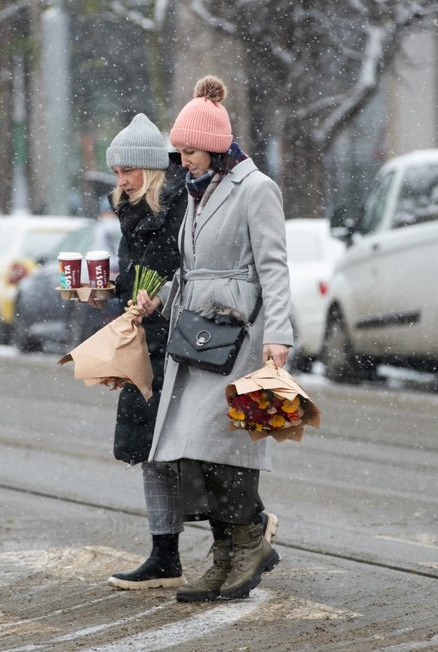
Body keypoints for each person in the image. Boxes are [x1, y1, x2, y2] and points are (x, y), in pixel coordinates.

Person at [134, 76, 293, 602]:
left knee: (221, 445)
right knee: (190, 451)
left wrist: (279, 336)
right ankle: (228, 549)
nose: (183, 162)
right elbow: (194, 267)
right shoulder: (201, 193)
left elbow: (274, 269)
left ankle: (248, 542)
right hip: (196, 335)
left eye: (189, 151)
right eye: (178, 152)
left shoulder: (256, 189)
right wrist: (159, 297)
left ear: (217, 146)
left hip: (239, 335)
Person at [100, 113, 189, 589]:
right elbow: (138, 277)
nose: (121, 181)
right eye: (116, 173)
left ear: (151, 169)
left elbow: (185, 271)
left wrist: (162, 296)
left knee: (185, 452)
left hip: (179, 345)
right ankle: (165, 556)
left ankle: (247, 528)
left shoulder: (178, 207)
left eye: (128, 171)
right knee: (151, 453)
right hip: (144, 343)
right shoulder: (131, 211)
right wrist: (108, 291)